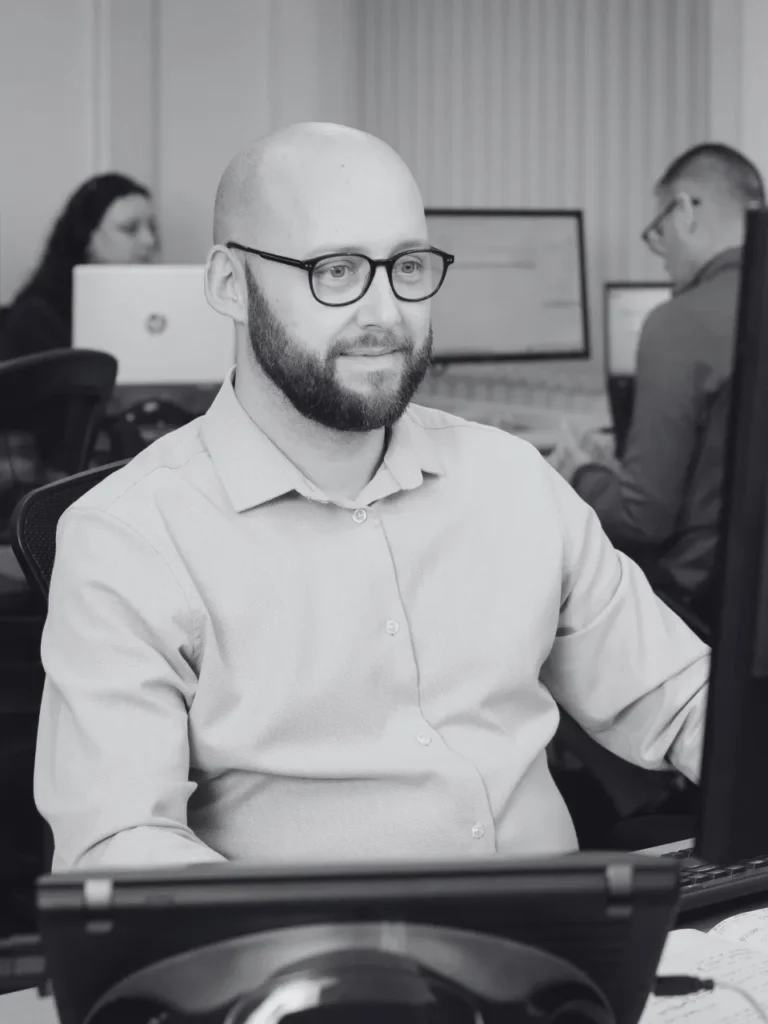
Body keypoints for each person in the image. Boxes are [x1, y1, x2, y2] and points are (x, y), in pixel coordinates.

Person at [34, 123, 709, 871]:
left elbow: (682, 697)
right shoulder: (130, 537)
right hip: (310, 973)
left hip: (566, 960)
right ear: (231, 284)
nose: (386, 314)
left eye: (407, 266)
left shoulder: (510, 479)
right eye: (336, 269)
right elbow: (120, 845)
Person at [549, 143, 765, 621]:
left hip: (697, 606)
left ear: (686, 208)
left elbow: (641, 520)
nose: (661, 249)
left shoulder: (679, 322)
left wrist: (579, 472)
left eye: (659, 229)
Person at [0, 172, 158, 360]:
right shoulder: (37, 318)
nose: (150, 241)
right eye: (130, 228)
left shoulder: (155, 308)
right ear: (87, 236)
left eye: (152, 228)